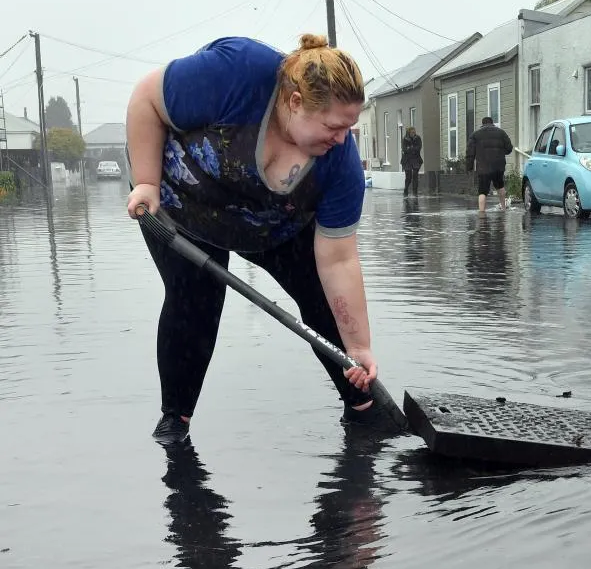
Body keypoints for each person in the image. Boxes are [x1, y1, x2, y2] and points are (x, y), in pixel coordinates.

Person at [125, 33, 404, 446]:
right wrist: (146, 181)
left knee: (322, 299)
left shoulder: (339, 165)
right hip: (182, 203)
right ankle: (175, 423)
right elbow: (146, 98)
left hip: (272, 224)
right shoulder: (237, 73)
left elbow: (339, 261)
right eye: (333, 126)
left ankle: (364, 412)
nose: (343, 139)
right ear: (294, 103)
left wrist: (360, 346)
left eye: (350, 127)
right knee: (195, 302)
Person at [465, 115, 513, 213]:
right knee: (500, 186)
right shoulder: (501, 133)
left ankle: (482, 212)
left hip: (483, 167)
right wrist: (500, 152)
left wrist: (469, 167)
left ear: (482, 124)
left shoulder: (475, 135)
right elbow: (509, 148)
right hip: (498, 166)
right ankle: (503, 208)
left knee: (482, 191)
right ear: (492, 123)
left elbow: (470, 153)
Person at [400, 125, 422, 197]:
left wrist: (410, 148)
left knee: (415, 176)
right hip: (407, 160)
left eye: (414, 132)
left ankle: (415, 192)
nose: (413, 133)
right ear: (409, 133)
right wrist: (412, 149)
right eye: (412, 132)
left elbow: (419, 148)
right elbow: (404, 149)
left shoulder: (418, 138)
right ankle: (406, 190)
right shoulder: (405, 139)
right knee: (408, 176)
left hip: (416, 159)